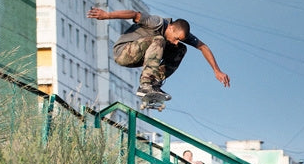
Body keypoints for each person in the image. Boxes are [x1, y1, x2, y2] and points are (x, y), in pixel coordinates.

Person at [86, 7, 230, 104]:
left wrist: (216, 70)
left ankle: (154, 83)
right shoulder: (158, 23)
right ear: (171, 27)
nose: (175, 41)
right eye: (176, 37)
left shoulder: (179, 35)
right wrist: (107, 15)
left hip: (142, 56)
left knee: (181, 49)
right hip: (124, 52)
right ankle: (145, 85)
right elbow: (135, 14)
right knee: (160, 40)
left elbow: (203, 47)